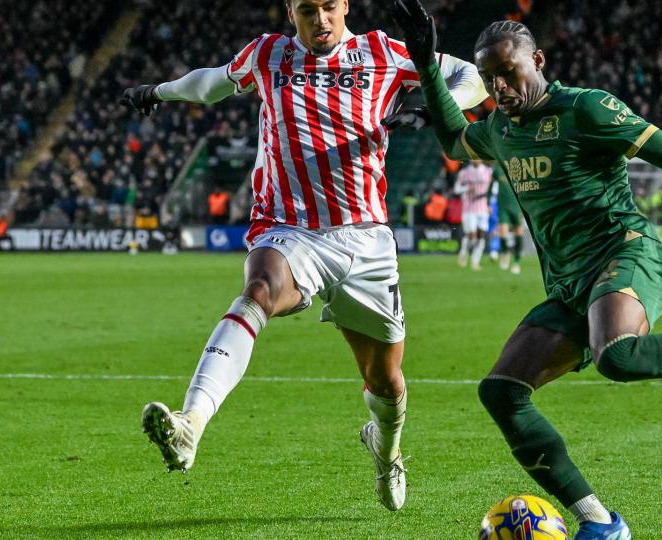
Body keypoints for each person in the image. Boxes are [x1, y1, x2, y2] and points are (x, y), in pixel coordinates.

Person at [389, 3, 662, 538]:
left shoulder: (587, 109)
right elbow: (453, 140)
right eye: (488, 79)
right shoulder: (500, 130)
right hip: (570, 285)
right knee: (501, 391)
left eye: (508, 73)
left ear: (538, 61)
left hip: (626, 253)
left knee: (618, 355)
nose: (499, 87)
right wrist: (427, 67)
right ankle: (599, 523)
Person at [121, 0, 487, 512]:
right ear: (290, 11)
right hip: (289, 229)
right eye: (308, 9)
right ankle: (191, 423)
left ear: (346, 7)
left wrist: (436, 107)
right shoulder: (268, 55)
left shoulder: (382, 52)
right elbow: (209, 85)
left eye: (330, 7)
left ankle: (387, 450)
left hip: (366, 241)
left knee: (386, 382)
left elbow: (473, 76)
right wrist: (157, 91)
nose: (321, 20)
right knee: (259, 291)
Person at [454, 160, 493, 269]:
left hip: (483, 208)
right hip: (469, 209)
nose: (475, 159)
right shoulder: (464, 172)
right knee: (472, 235)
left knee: (481, 236)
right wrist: (466, 188)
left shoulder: (488, 171)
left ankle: (475, 261)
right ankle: (463, 253)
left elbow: (493, 189)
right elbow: (456, 189)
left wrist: (490, 204)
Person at [493, 163, 524, 274]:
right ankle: (505, 254)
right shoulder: (497, 168)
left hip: (517, 206)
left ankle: (517, 262)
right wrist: (488, 203)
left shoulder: (520, 166)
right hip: (502, 206)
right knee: (503, 232)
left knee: (518, 234)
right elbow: (490, 186)